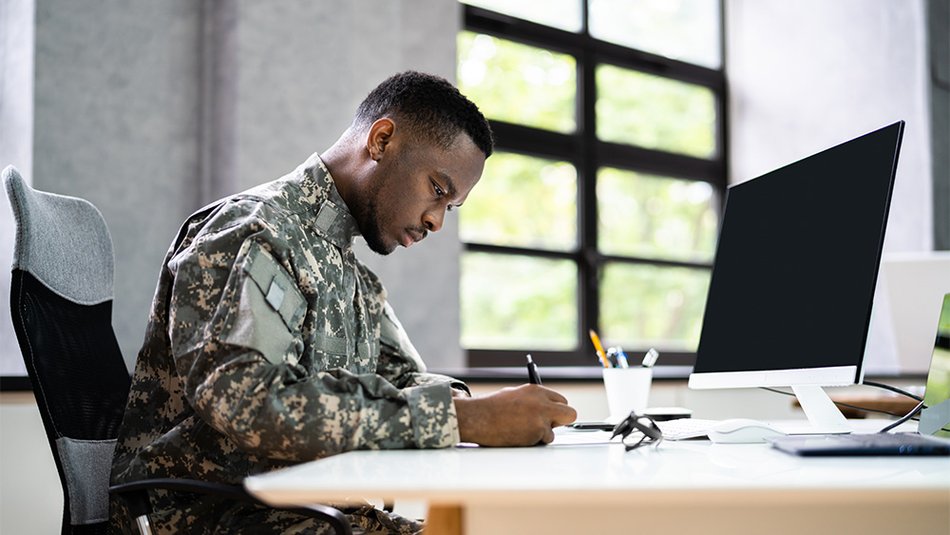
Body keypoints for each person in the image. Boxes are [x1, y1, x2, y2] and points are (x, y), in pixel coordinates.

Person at [110, 71, 577, 534]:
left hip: (313, 515)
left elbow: (405, 379)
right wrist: (465, 420)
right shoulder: (255, 231)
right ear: (382, 140)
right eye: (438, 189)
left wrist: (490, 411)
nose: (437, 222)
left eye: (450, 208)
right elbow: (249, 402)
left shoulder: (354, 277)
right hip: (212, 519)